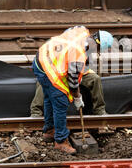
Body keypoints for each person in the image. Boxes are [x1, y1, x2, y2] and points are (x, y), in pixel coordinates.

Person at [32, 26, 113, 154]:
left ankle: (49, 131)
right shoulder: (79, 53)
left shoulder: (81, 31)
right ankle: (60, 141)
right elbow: (73, 81)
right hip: (49, 67)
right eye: (97, 51)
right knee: (61, 103)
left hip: (41, 58)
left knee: (48, 98)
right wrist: (77, 98)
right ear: (96, 46)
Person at [30, 71, 106, 117]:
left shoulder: (79, 50)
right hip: (56, 73)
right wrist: (77, 98)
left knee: (95, 79)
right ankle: (36, 113)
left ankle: (99, 111)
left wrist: (78, 76)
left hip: (74, 73)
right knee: (43, 80)